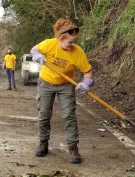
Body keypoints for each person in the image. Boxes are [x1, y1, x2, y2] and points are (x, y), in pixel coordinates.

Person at [30, 18, 93, 164]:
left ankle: (73, 148)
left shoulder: (77, 52)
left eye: (74, 42)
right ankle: (43, 143)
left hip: (66, 84)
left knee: (69, 115)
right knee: (44, 114)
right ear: (60, 38)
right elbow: (34, 49)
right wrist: (37, 55)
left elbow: (88, 72)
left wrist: (86, 82)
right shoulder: (49, 44)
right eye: (70, 42)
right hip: (46, 82)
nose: (73, 45)